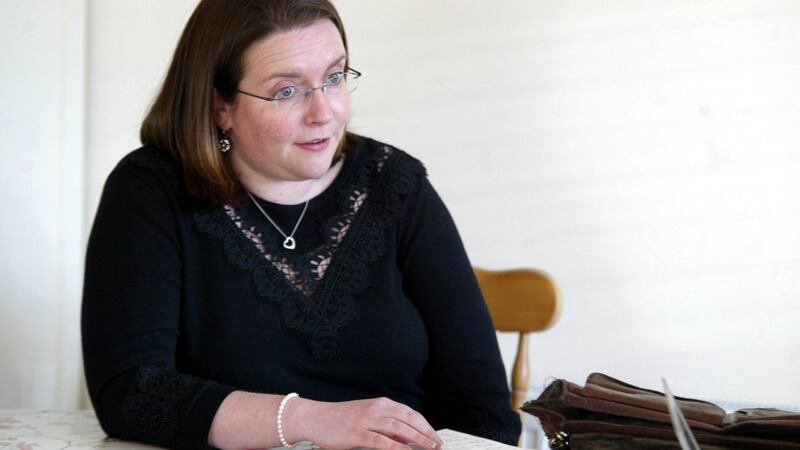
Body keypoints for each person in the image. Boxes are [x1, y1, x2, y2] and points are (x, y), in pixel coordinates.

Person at [81, 1, 521, 449]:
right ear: (220, 107)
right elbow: (132, 394)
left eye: (334, 77)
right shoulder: (150, 191)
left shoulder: (397, 186)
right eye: (286, 91)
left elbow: (481, 408)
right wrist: (307, 419)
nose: (324, 113)